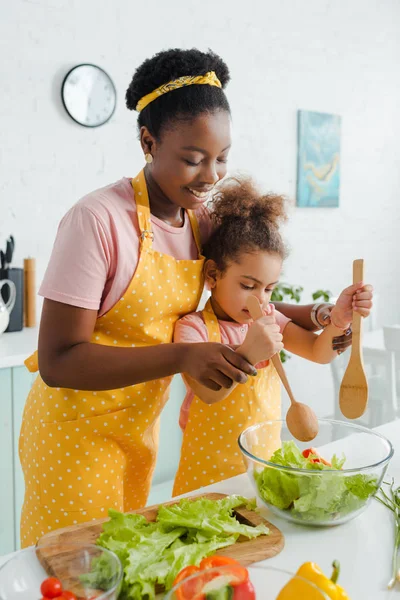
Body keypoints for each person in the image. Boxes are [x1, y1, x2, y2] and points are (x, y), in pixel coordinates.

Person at [19, 48, 350, 547]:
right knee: (75, 570)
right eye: (193, 159)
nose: (212, 176)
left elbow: (244, 297)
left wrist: (318, 314)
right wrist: (182, 356)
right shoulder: (97, 220)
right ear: (148, 142)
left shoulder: (201, 221)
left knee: (130, 563)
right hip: (74, 434)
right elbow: (58, 360)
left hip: (140, 429)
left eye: (221, 158)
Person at [172, 177, 373, 496]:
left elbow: (318, 352)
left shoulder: (269, 319)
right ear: (213, 275)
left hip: (263, 472)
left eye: (268, 289)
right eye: (248, 286)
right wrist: (248, 353)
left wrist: (337, 320)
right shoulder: (192, 328)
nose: (260, 300)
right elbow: (209, 393)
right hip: (207, 478)